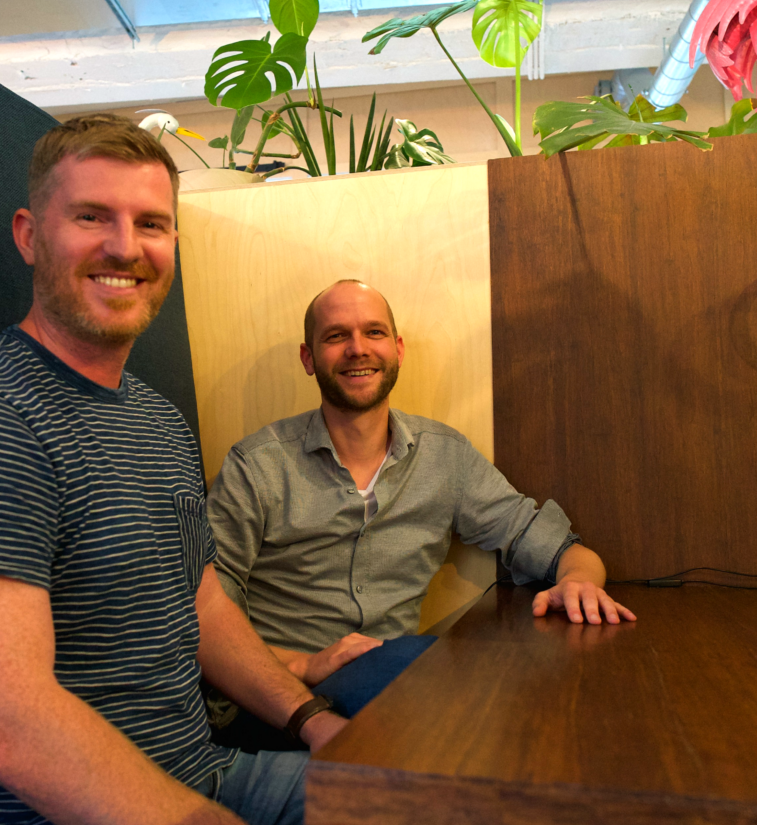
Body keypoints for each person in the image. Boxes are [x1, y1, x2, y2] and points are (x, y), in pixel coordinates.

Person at [0, 115, 541, 825]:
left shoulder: (154, 420)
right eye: (92, 216)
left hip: (196, 777)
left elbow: (202, 604)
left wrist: (315, 723)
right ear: (31, 236)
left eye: (151, 223)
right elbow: (11, 732)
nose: (125, 247)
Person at [207, 279, 636, 751]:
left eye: (373, 332)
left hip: (390, 692)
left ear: (397, 349)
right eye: (335, 336)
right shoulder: (257, 465)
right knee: (440, 675)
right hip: (272, 704)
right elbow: (202, 617)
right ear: (309, 359)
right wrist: (305, 665)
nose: (357, 349)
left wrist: (580, 582)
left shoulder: (444, 457)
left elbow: (559, 549)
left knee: (502, 683)